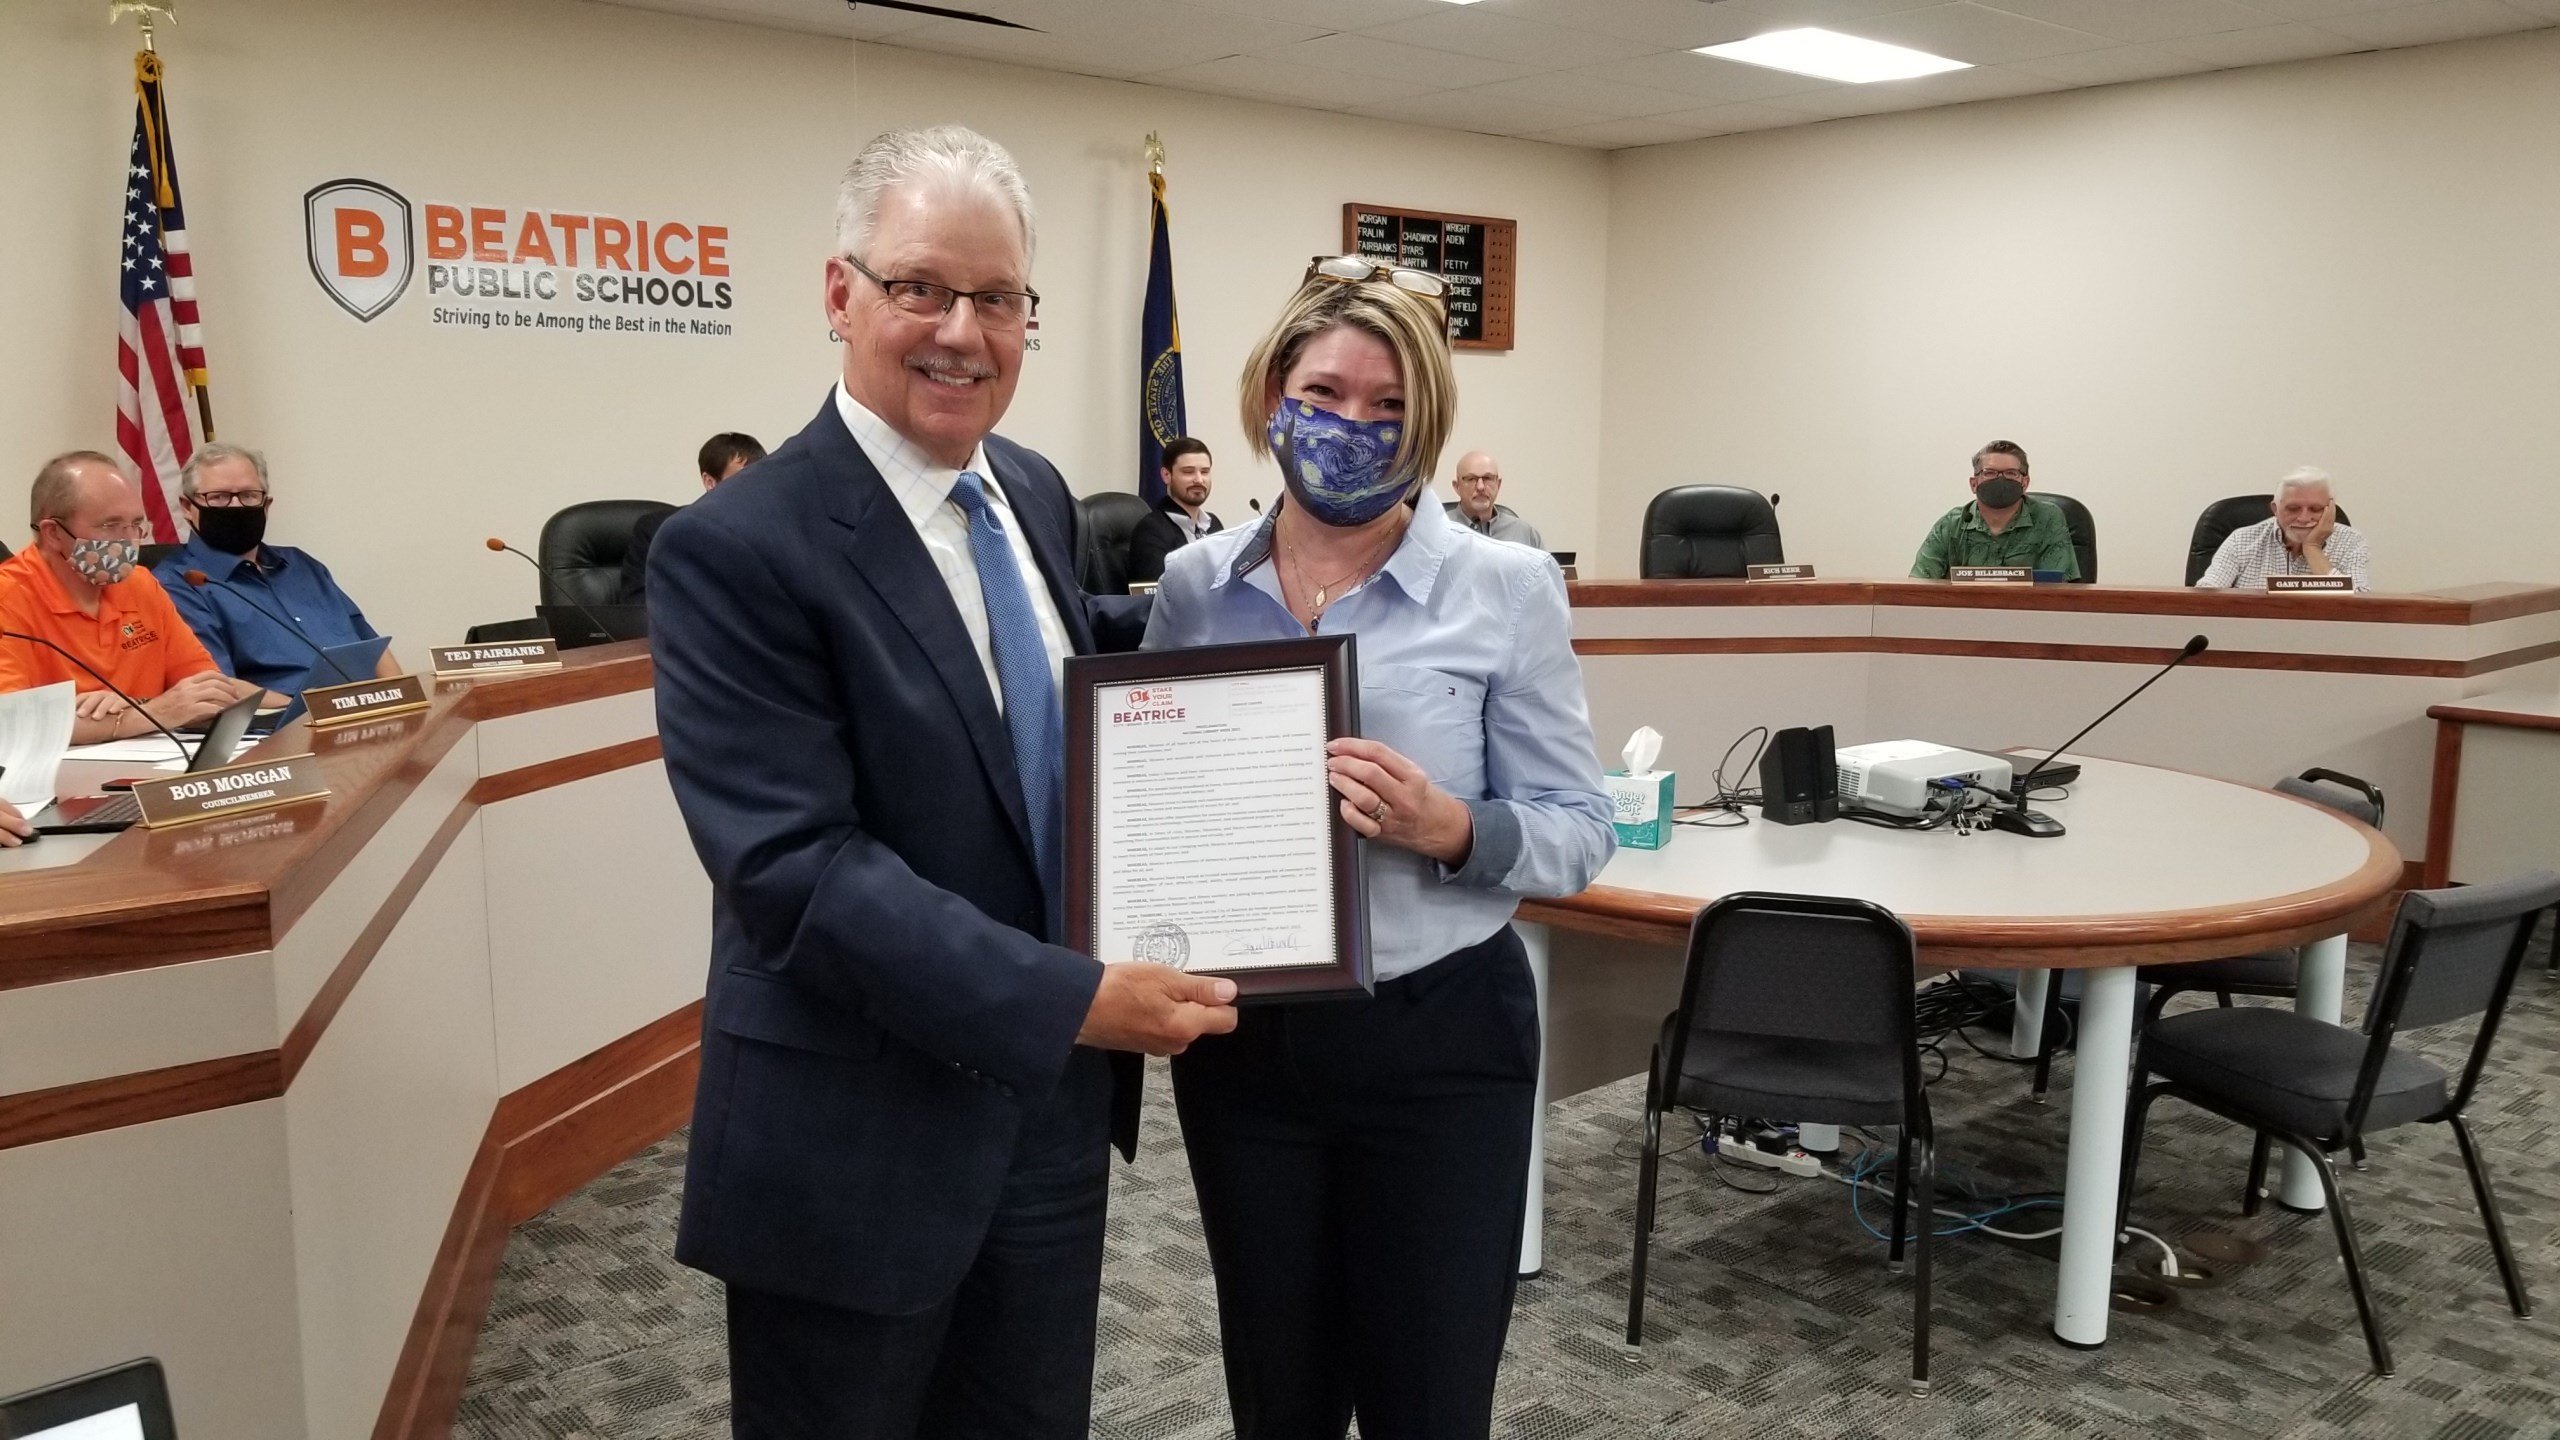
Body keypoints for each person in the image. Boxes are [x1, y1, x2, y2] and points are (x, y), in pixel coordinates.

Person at [647, 125, 1238, 1440]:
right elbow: (796, 872)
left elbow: (1040, 671)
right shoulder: (734, 551)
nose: (961, 331)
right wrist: (1076, 997)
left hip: (1044, 1119)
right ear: (838, 292)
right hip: (854, 1137)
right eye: (920, 286)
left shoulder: (1025, 489)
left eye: (998, 299)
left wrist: (1253, 622)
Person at [1145, 256, 1615, 1439]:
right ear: (1270, 399)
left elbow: (1579, 832)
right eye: (1327, 392)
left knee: (1428, 1397)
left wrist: (1451, 828)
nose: (1353, 424)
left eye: (1392, 407)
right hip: (1246, 1048)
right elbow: (1156, 807)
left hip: (1439, 1038)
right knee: (1279, 1394)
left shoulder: (1502, 587)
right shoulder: (1194, 588)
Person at [0, 451, 254, 744]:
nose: (129, 539)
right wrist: (151, 713)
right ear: (54, 533)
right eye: (111, 526)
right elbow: (11, 726)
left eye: (136, 524)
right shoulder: (9, 598)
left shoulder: (141, 584)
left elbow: (208, 692)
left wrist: (134, 708)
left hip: (154, 766)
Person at [153, 443, 400, 699]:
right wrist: (317, 711)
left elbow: (373, 649)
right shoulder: (179, 583)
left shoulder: (302, 565)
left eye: (248, 495)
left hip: (365, 716)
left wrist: (405, 703)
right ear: (186, 506)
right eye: (219, 497)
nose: (236, 507)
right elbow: (219, 687)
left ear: (266, 504)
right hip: (285, 726)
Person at [621, 432, 765, 605]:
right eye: (741, 479)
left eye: (758, 479)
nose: (750, 489)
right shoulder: (656, 528)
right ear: (710, 482)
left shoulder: (769, 531)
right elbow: (637, 603)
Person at [1909, 440, 2079, 579]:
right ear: (1973, 483)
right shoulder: (1951, 524)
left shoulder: (2048, 519)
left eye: (2011, 473)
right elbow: (1919, 585)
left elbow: (2059, 589)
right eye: (1989, 473)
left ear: (2025, 483)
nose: (2000, 480)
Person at [2197, 466, 2372, 593]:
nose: (2304, 518)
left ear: (2331, 509)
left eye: (2316, 509)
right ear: (2275, 509)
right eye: (2293, 509)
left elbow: (2359, 605)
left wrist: (2312, 548)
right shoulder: (2241, 540)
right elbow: (2205, 596)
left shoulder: (2351, 542)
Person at [1125, 435, 1221, 585]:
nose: (1199, 480)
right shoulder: (1151, 530)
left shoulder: (1213, 524)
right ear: (1166, 475)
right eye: (1188, 472)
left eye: (1204, 472)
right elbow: (1158, 593)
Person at [1444, 449, 1544, 548]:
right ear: (1457, 486)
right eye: (1471, 479)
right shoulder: (1439, 530)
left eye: (1488, 478)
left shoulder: (1525, 534)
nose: (1480, 487)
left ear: (1498, 484)